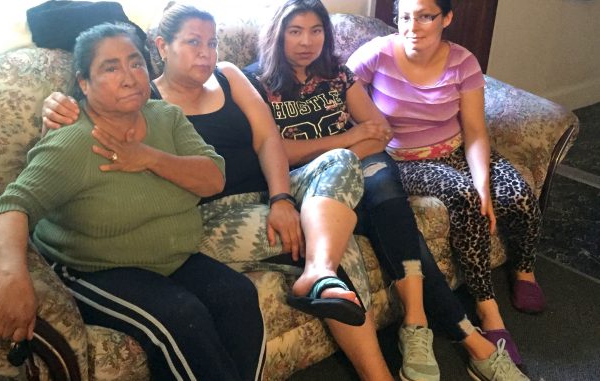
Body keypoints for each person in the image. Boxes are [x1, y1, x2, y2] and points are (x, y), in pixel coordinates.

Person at [42, 3, 395, 380]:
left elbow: (268, 140)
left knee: (340, 160)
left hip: (272, 192)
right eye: (193, 42)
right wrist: (55, 108)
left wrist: (282, 199)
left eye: (211, 43)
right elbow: (93, 108)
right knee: (333, 243)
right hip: (213, 213)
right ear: (162, 46)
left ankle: (318, 272)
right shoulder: (146, 99)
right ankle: (375, 369)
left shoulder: (228, 75)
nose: (206, 53)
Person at [250, 0, 530, 380]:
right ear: (278, 34)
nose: (306, 41)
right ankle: (471, 342)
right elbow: (277, 152)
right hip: (313, 188)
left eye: (316, 30)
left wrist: (349, 147)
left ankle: (417, 326)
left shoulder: (337, 75)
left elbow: (379, 134)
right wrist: (348, 139)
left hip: (362, 172)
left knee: (386, 190)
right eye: (295, 31)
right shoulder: (257, 83)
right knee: (393, 211)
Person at [0, 23, 266, 381]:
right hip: (95, 267)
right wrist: (12, 279)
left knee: (239, 296)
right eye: (110, 67)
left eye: (135, 63)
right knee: (182, 318)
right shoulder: (73, 141)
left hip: (173, 257)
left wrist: (148, 157)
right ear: (84, 83)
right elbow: (12, 207)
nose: (130, 77)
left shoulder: (167, 117)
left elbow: (213, 178)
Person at [347, 0, 544, 374]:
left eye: (425, 16)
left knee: (516, 196)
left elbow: (474, 131)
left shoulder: (462, 62)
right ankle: (488, 310)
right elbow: (336, 92)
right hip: (405, 160)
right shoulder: (376, 54)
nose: (413, 26)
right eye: (405, 17)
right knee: (464, 196)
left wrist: (483, 182)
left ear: (447, 18)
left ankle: (524, 269)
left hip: (455, 149)